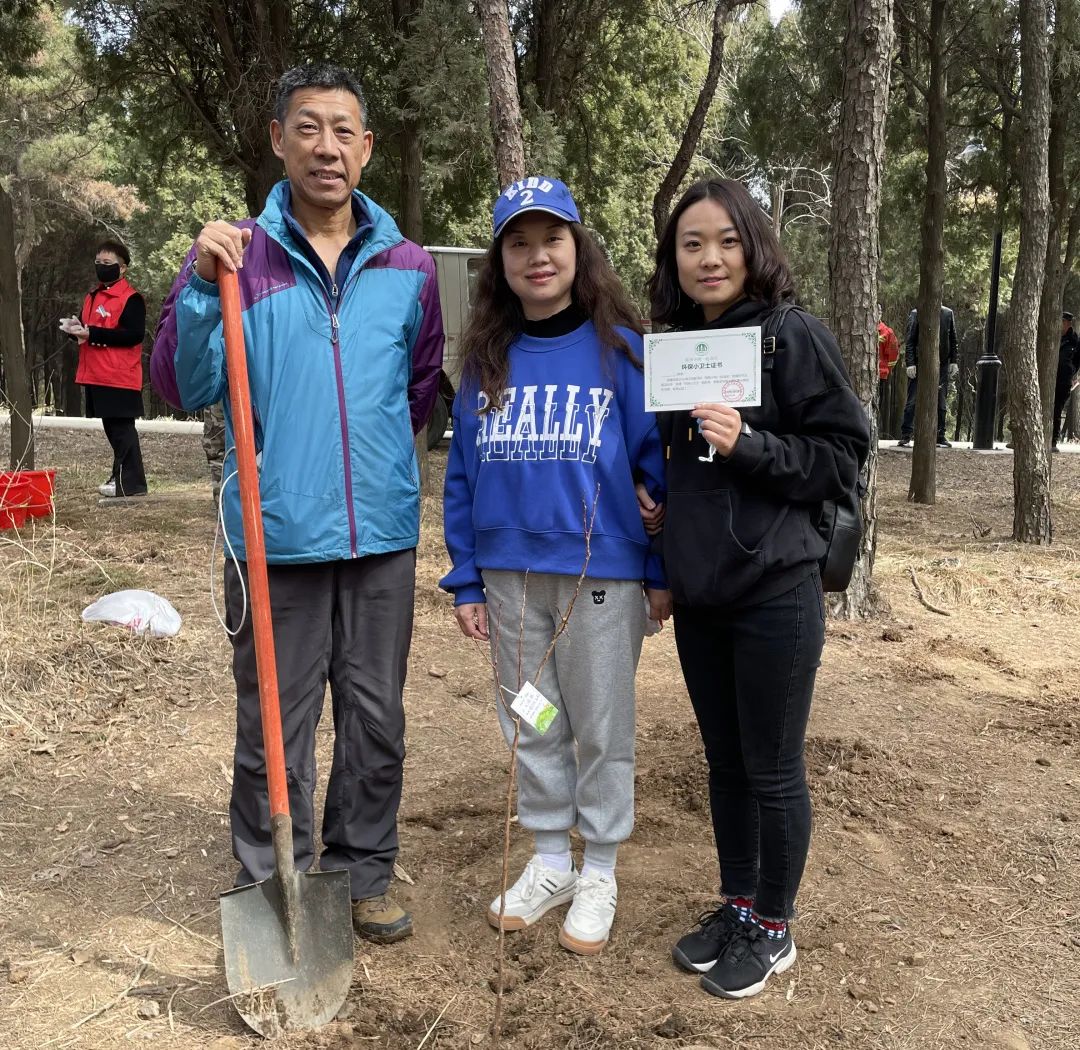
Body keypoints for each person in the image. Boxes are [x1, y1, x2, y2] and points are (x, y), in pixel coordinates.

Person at [150, 64, 444, 944]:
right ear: (279, 139)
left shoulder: (409, 267)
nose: (327, 146)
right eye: (308, 127)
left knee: (377, 720)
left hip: (381, 537)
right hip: (274, 540)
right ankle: (269, 878)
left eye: (344, 129)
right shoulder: (235, 258)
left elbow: (419, 391)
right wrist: (202, 288)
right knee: (274, 727)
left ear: (367, 148)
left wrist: (377, 468)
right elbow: (176, 381)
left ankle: (361, 871)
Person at [644, 178, 869, 999]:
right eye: (692, 243)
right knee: (725, 765)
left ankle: (775, 928)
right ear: (674, 258)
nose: (709, 258)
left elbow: (843, 459)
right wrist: (660, 513)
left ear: (754, 246)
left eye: (727, 241)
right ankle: (738, 905)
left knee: (772, 769)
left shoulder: (791, 337)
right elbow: (684, 469)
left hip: (776, 590)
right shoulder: (671, 350)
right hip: (702, 595)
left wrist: (753, 446)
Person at [440, 176, 670, 956]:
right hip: (508, 581)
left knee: (600, 725)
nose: (537, 256)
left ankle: (598, 866)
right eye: (518, 243)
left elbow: (659, 465)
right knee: (531, 716)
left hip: (599, 578)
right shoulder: (485, 360)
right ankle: (549, 857)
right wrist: (465, 577)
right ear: (500, 259)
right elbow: (463, 475)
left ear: (580, 249)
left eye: (552, 240)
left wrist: (659, 547)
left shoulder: (622, 352)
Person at [59, 240, 148, 497]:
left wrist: (93, 333)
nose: (101, 267)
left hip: (119, 375)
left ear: (122, 269)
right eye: (98, 263)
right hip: (96, 373)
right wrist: (75, 331)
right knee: (113, 428)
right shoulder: (93, 296)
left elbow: (133, 335)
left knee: (121, 428)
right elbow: (88, 330)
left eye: (107, 264)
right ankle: (121, 476)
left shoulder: (131, 299)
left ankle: (130, 483)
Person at [898, 304, 957, 448]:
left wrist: (954, 361)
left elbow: (953, 339)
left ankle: (940, 435)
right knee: (912, 400)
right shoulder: (916, 313)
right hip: (919, 363)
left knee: (941, 401)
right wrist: (910, 363)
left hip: (941, 364)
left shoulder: (948, 314)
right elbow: (910, 340)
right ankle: (906, 434)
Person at [1052, 311, 1080, 451]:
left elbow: (1077, 361)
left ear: (1068, 323)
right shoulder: (1053, 337)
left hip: (1063, 381)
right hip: (1049, 379)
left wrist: (1071, 372)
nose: (1060, 324)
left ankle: (1053, 441)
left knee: (1056, 410)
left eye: (1063, 322)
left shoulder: (1075, 341)